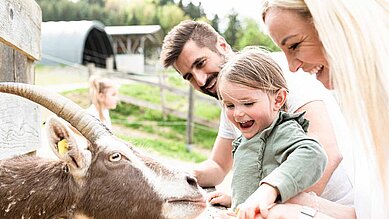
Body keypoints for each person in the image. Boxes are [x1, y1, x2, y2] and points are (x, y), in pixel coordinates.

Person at [160, 20, 354, 206]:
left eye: (200, 63)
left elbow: (326, 151)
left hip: (333, 206)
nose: (200, 81)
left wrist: (270, 205)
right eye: (189, 77)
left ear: (222, 45)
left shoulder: (279, 74)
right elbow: (218, 165)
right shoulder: (233, 104)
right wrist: (174, 174)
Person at [258, 0, 389, 218]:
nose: (292, 67)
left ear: (335, 25)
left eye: (294, 45)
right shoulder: (365, 114)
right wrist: (299, 203)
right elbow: (369, 213)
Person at [211, 48, 328, 218]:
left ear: (278, 99)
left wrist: (269, 190)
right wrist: (236, 200)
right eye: (230, 106)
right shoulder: (247, 137)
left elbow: (314, 154)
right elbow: (255, 180)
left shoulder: (282, 131)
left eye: (248, 103)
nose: (237, 113)